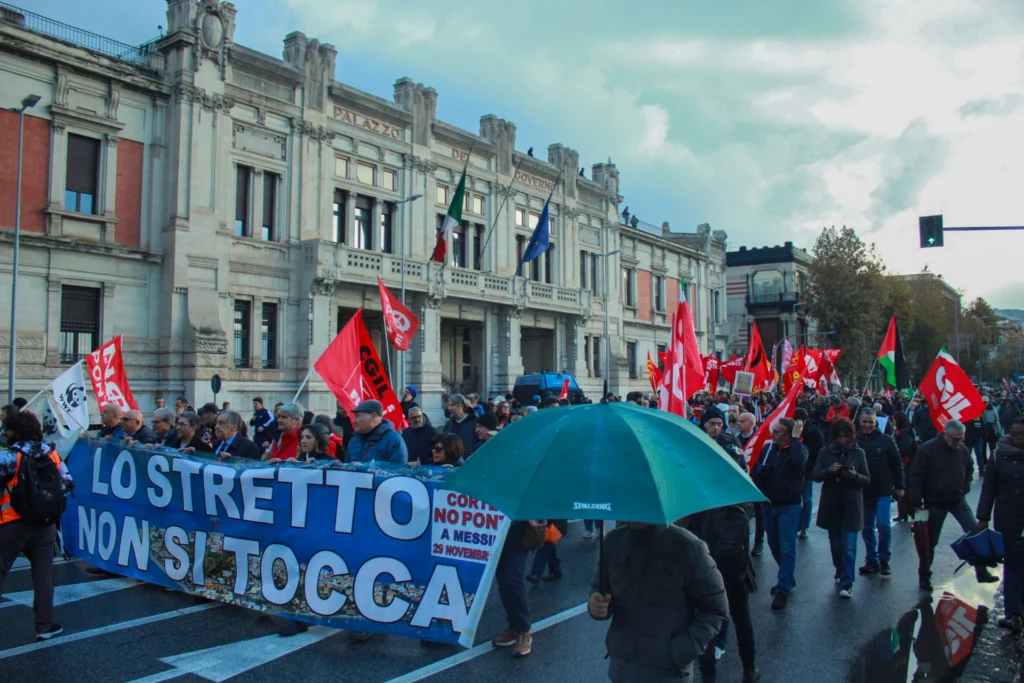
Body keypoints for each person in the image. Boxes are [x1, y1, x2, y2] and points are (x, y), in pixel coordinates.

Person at [588, 521, 729, 682]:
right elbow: (599, 589)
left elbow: (715, 609)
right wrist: (596, 605)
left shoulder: (688, 546)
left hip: (668, 674)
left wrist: (679, 652)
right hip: (621, 670)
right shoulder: (612, 542)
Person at [0, 411, 72, 643]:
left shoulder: (11, 457)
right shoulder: (51, 453)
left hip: (12, 522)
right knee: (42, 577)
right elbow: (68, 483)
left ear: (13, 432)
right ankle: (44, 625)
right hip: (45, 523)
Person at [908, 420, 997, 590]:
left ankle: (981, 569)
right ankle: (925, 574)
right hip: (934, 503)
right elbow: (916, 476)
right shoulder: (928, 449)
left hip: (957, 500)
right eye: (955, 439)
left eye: (961, 439)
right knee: (929, 541)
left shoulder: (962, 450)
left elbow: (970, 469)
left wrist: (965, 486)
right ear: (945, 434)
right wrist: (916, 502)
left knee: (975, 533)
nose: (957, 443)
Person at [751, 417, 807, 610]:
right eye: (773, 431)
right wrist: (762, 471)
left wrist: (796, 439)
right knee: (773, 545)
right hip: (769, 504)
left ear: (788, 434)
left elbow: (799, 462)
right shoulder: (768, 450)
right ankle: (788, 577)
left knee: (787, 546)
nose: (773, 435)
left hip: (788, 505)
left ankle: (783, 589)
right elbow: (756, 468)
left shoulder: (796, 450)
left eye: (777, 432)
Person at [812, 417, 870, 598]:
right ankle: (840, 569)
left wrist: (854, 475)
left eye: (846, 436)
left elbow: (867, 479)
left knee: (849, 545)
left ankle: (848, 581)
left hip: (852, 504)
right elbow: (815, 475)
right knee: (836, 544)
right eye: (840, 437)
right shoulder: (825, 452)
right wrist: (829, 470)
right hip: (832, 504)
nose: (843, 440)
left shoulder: (858, 453)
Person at [976, 419, 1024, 631]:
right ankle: (1013, 613)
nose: (1018, 438)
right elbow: (989, 489)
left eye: (1021, 434)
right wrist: (983, 517)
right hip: (1009, 518)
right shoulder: (998, 455)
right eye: (1015, 434)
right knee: (1013, 565)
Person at [856, 409, 903, 577]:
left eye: (870, 422)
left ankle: (884, 559)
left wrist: (899, 486)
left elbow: (897, 464)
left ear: (876, 423)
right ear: (860, 422)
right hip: (863, 491)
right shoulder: (855, 441)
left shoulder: (886, 440)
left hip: (883, 490)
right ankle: (871, 559)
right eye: (864, 422)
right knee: (867, 528)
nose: (867, 425)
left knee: (883, 525)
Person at [491, 521, 533, 657]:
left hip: (518, 524)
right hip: (495, 524)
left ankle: (523, 631)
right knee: (502, 578)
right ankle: (514, 627)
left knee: (512, 578)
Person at [892, 411, 916, 523]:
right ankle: (903, 512)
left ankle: (910, 511)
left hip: (907, 464)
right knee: (901, 488)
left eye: (895, 419)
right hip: (901, 463)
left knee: (905, 489)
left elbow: (906, 448)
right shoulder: (898, 432)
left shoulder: (905, 433)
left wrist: (895, 452)